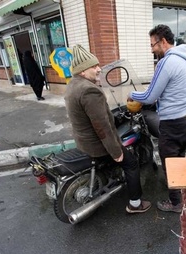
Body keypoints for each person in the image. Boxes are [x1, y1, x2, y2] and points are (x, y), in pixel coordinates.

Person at [64, 44, 151, 214]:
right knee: (131, 162)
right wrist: (116, 151)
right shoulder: (89, 90)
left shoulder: (73, 85)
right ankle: (135, 204)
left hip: (83, 140)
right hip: (96, 144)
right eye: (94, 66)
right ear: (83, 71)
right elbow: (101, 126)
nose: (99, 69)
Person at [128, 25, 186, 213]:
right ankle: (184, 192)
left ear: (163, 42)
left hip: (171, 123)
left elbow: (150, 97)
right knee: (182, 160)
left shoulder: (166, 62)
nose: (152, 49)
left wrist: (132, 94)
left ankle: (176, 203)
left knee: (170, 164)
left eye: (153, 45)